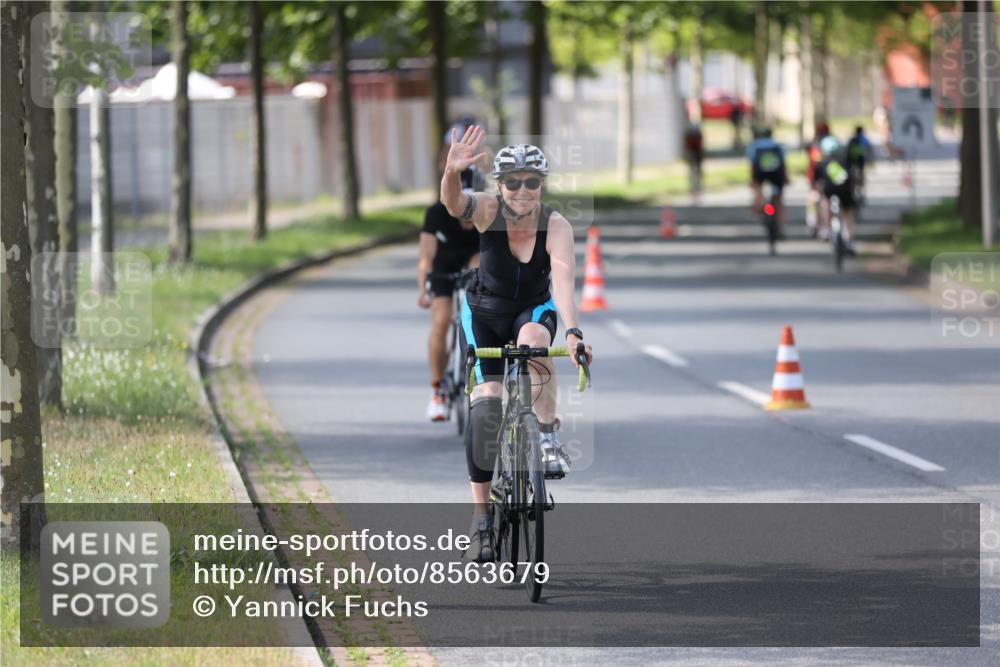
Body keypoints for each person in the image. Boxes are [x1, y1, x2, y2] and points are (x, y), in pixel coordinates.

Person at [440, 126, 593, 562]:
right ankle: (481, 517)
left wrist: (574, 331)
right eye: (513, 182)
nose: (522, 190)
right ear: (500, 185)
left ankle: (545, 435)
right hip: (485, 312)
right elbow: (453, 204)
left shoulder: (556, 225)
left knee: (534, 345)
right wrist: (452, 171)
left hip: (532, 308)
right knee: (487, 406)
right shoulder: (487, 211)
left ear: (542, 184)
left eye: (532, 181)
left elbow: (562, 278)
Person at [418, 126, 483, 421]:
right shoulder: (436, 213)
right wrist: (423, 288)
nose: (465, 211)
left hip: (472, 263)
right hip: (444, 266)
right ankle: (438, 388)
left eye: (471, 202)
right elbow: (426, 256)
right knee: (442, 320)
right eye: (461, 202)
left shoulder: (484, 213)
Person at [815, 135, 857, 253]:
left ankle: (826, 229)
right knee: (848, 212)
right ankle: (849, 239)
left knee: (825, 202)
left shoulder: (822, 163)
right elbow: (853, 178)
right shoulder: (845, 161)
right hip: (845, 190)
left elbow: (817, 182)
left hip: (829, 190)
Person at [746, 128, 787, 236]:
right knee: (778, 200)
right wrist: (786, 178)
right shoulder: (777, 146)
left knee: (758, 192)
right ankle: (780, 227)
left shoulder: (755, 145)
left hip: (760, 172)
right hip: (776, 173)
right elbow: (783, 163)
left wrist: (752, 180)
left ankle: (758, 210)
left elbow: (752, 163)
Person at [846, 125, 872, 202]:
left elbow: (847, 150)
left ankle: (854, 191)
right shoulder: (864, 139)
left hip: (852, 161)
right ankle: (861, 192)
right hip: (861, 160)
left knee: (853, 177)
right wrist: (870, 159)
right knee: (861, 176)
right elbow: (869, 149)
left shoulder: (852, 139)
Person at [683, 122, 704, 203]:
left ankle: (698, 186)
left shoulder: (696, 128)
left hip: (697, 151)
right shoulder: (689, 129)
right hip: (692, 151)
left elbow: (701, 139)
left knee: (698, 170)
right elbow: (686, 140)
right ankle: (693, 187)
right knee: (692, 170)